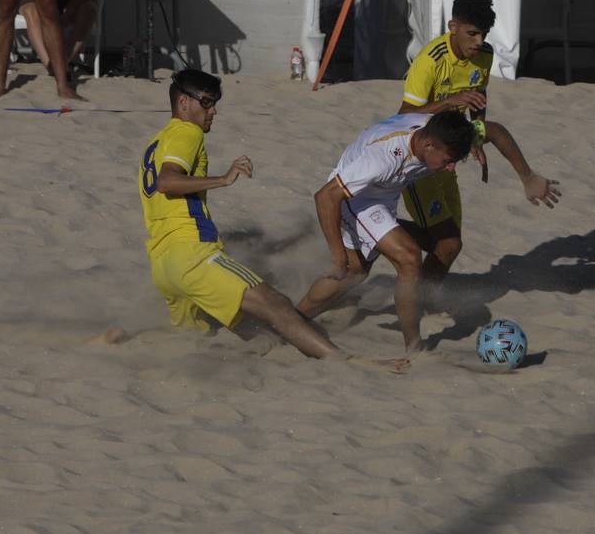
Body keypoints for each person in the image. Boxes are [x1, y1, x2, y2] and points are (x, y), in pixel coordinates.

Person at [138, 69, 408, 372]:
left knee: (215, 335)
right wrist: (224, 180)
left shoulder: (157, 141)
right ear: (183, 103)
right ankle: (348, 361)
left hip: (163, 266)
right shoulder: (187, 132)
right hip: (192, 255)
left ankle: (114, 338)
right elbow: (167, 182)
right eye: (207, 102)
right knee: (276, 304)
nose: (212, 111)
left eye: (215, 103)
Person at [300, 110, 554, 353]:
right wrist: (337, 256)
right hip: (357, 198)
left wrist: (528, 177)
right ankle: (414, 348)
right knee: (407, 258)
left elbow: (495, 131)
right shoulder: (381, 158)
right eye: (448, 160)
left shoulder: (449, 132)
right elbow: (325, 197)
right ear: (429, 145)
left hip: (384, 195)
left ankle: (294, 319)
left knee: (365, 270)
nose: (451, 168)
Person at [397, 0, 559, 284]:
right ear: (453, 27)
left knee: (449, 245)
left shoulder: (484, 55)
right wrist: (450, 101)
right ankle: (414, 291)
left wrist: (474, 135)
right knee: (447, 243)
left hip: (448, 159)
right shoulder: (430, 61)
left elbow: (479, 98)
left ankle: (425, 296)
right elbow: (404, 115)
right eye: (472, 33)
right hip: (419, 163)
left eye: (484, 34)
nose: (479, 41)